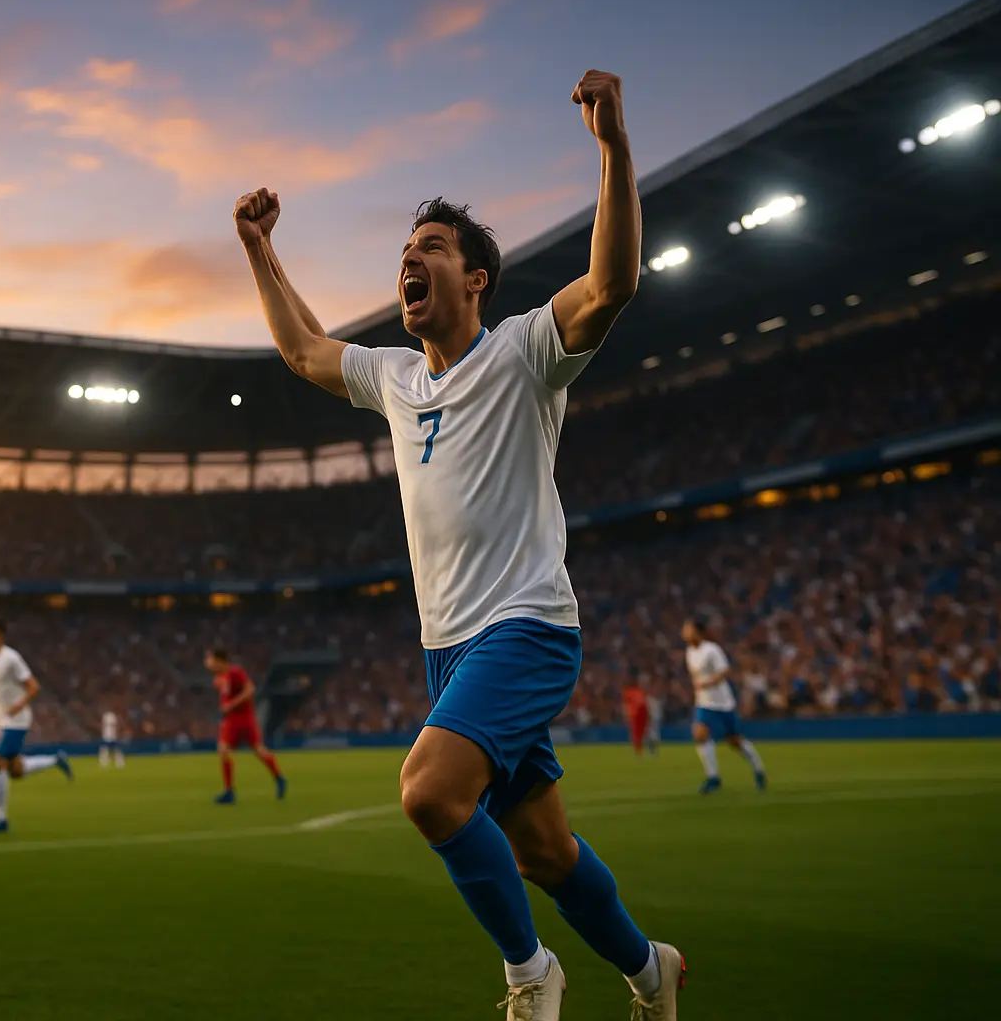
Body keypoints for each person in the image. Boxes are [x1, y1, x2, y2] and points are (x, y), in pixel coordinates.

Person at [236, 70, 682, 1019]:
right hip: (447, 649)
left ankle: (531, 974)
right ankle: (653, 973)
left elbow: (613, 285)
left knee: (430, 794)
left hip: (525, 626)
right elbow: (306, 351)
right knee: (546, 853)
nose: (412, 258)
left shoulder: (524, 351)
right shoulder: (396, 378)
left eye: (431, 247)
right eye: (406, 249)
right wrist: (260, 250)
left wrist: (610, 145)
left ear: (474, 278)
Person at [0, 619, 72, 836]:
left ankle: (0, 820)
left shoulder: (11, 658)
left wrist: (19, 704)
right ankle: (55, 760)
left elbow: (34, 687)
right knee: (14, 770)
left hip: (17, 721)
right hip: (1, 722)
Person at [683, 618, 767, 794]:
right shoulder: (689, 652)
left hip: (723, 703)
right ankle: (713, 777)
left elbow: (724, 672)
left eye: (688, 629)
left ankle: (758, 769)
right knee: (699, 733)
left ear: (699, 633)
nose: (684, 633)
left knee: (734, 741)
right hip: (704, 703)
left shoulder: (712, 650)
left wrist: (707, 683)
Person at [203, 647, 285, 804]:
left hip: (244, 718)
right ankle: (229, 791)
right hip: (230, 720)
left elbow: (249, 690)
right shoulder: (220, 678)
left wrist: (231, 705)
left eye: (209, 659)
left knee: (258, 750)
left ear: (219, 660)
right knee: (223, 750)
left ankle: (279, 778)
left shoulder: (235, 672)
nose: (207, 663)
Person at [621, 675, 657, 757]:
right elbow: (627, 705)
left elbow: (643, 704)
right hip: (636, 715)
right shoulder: (632, 692)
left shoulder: (637, 692)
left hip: (639, 714)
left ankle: (646, 750)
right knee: (638, 734)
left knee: (644, 734)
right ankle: (640, 751)